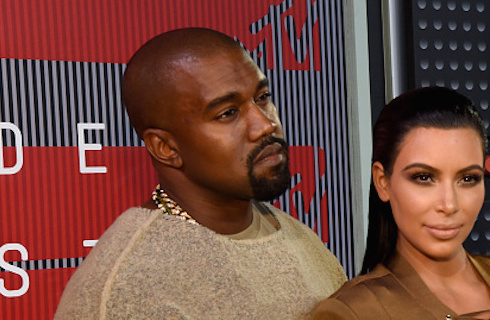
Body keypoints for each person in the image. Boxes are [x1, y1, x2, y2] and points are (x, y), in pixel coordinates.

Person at [55, 28, 346, 319]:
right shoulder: (129, 290)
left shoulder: (296, 236)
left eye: (262, 97)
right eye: (227, 113)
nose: (265, 125)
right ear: (166, 147)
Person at [312, 87, 490, 319]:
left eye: (468, 178)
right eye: (424, 178)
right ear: (383, 182)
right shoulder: (352, 312)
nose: (449, 204)